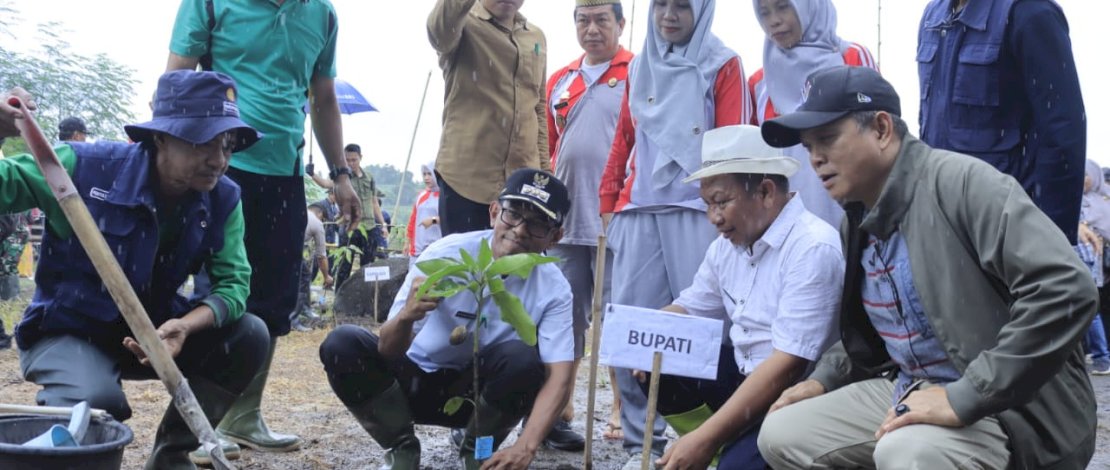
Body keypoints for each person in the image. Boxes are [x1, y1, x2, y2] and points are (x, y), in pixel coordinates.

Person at [757, 66, 1096, 469]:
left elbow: (1067, 288)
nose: (815, 159)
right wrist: (824, 378)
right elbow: (876, 335)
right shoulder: (856, 221)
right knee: (782, 434)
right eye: (808, 146)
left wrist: (965, 395)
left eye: (827, 139)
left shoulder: (963, 183)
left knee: (907, 451)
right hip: (913, 390)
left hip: (1015, 410)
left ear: (882, 129)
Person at [0, 72, 271, 469]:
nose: (219, 159)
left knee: (248, 335)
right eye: (204, 142)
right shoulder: (80, 167)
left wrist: (184, 326)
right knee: (97, 408)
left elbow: (233, 286)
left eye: (227, 144)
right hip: (68, 330)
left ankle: (172, 456)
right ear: (160, 137)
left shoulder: (224, 198)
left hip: (154, 336)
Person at [168, 0, 362, 456]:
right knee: (218, 287)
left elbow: (323, 97)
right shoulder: (211, 3)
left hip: (283, 172)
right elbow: (175, 80)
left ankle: (244, 415)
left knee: (274, 299)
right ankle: (201, 422)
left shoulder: (322, 13)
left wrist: (341, 174)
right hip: (221, 167)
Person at [320, 168, 575, 470]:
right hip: (413, 383)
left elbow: (559, 377)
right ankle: (401, 448)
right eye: (513, 214)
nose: (519, 229)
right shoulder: (447, 255)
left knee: (523, 359)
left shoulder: (553, 288)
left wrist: (526, 446)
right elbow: (387, 349)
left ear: (555, 237)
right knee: (343, 343)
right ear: (494, 213)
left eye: (537, 224)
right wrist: (405, 317)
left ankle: (477, 453)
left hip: (479, 395)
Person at [634, 124, 843, 469]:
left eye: (721, 202)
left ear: (764, 192)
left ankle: (713, 445)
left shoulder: (812, 248)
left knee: (738, 463)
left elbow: (787, 365)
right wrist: (641, 333)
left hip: (793, 396)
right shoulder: (726, 247)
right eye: (707, 204)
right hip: (744, 376)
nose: (713, 218)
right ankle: (712, 449)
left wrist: (706, 437)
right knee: (657, 354)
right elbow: (689, 307)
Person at [598, 0, 751, 465]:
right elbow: (624, 137)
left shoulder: (722, 63)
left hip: (698, 210)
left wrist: (727, 207)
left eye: (682, 6)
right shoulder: (639, 65)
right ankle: (639, 444)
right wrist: (608, 200)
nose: (669, 15)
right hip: (640, 210)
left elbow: (735, 139)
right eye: (661, 4)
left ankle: (700, 442)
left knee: (703, 332)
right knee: (632, 328)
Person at [917, 0, 1086, 244]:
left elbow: (1062, 131)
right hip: (943, 226)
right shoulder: (934, 16)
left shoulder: (1030, 12)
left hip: (1007, 232)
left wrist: (1050, 244)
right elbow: (929, 121)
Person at [541, 0, 631, 450]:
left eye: (602, 20)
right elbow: (551, 146)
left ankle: (620, 405)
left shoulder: (638, 71)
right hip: (564, 222)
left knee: (615, 315)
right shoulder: (560, 80)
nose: (592, 29)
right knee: (562, 317)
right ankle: (560, 407)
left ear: (620, 23)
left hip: (615, 219)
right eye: (583, 20)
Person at [748, 0, 877, 227]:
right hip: (791, 230)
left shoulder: (852, 58)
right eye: (763, 13)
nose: (774, 21)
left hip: (854, 219)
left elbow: (877, 138)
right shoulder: (759, 84)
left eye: (783, 7)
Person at [428, 0, 550, 236]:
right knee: (466, 270)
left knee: (520, 270)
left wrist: (544, 173)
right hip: (466, 181)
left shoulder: (535, 36)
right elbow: (437, 32)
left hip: (523, 183)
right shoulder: (461, 24)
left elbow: (538, 106)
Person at [311, 144, 388, 289]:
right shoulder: (341, 177)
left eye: (354, 160)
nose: (351, 163)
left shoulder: (369, 178)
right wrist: (313, 174)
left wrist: (383, 224)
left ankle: (366, 301)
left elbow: (374, 202)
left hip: (369, 227)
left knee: (368, 267)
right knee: (344, 267)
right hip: (349, 227)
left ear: (360, 158)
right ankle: (339, 301)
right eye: (348, 160)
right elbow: (326, 184)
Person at [1079, 160, 1110, 375]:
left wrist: (1089, 229)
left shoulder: (1099, 202)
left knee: (1089, 307)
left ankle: (1102, 356)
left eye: (1086, 175)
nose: (1083, 180)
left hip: (1087, 257)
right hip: (1084, 257)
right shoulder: (1081, 199)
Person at [291, 203, 333, 332]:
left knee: (301, 275)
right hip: (291, 249)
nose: (322, 221)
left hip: (280, 247)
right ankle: (293, 319)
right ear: (320, 214)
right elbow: (321, 256)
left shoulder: (297, 210)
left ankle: (305, 308)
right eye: (323, 219)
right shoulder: (316, 222)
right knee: (304, 277)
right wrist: (326, 276)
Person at [406, 161, 442, 264]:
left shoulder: (444, 197)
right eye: (424, 174)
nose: (426, 177)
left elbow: (450, 218)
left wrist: (433, 220)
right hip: (418, 249)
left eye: (429, 174)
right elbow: (413, 220)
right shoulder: (421, 196)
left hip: (437, 247)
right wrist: (407, 241)